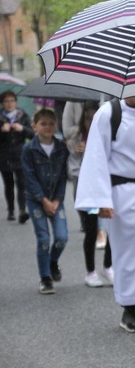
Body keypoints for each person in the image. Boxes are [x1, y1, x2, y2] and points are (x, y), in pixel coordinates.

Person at [75, 95, 135, 333]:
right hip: (122, 191)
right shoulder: (108, 113)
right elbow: (96, 157)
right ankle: (130, 308)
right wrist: (101, 200)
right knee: (128, 253)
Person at [21, 108, 69, 294]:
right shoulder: (29, 149)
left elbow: (63, 176)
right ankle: (45, 278)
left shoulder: (61, 147)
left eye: (51, 123)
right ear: (34, 126)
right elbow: (29, 177)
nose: (48, 127)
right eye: (43, 123)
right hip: (36, 201)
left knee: (61, 237)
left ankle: (52, 261)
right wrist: (43, 200)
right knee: (43, 239)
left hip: (56, 200)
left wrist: (57, 199)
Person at [66, 100, 113, 288]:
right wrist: (78, 154)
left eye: (95, 118)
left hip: (107, 189)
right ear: (83, 120)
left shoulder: (109, 136)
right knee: (91, 231)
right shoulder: (77, 138)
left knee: (111, 230)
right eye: (88, 119)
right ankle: (90, 272)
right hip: (87, 191)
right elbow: (71, 170)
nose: (91, 122)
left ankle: (108, 267)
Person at [0, 90, 34, 223]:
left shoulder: (23, 115)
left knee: (22, 184)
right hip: (4, 156)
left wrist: (22, 129)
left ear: (16, 102)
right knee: (9, 184)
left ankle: (22, 210)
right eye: (6, 101)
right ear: (2, 103)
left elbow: (32, 134)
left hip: (20, 155)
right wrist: (2, 131)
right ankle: (11, 210)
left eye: (12, 101)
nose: (9, 104)